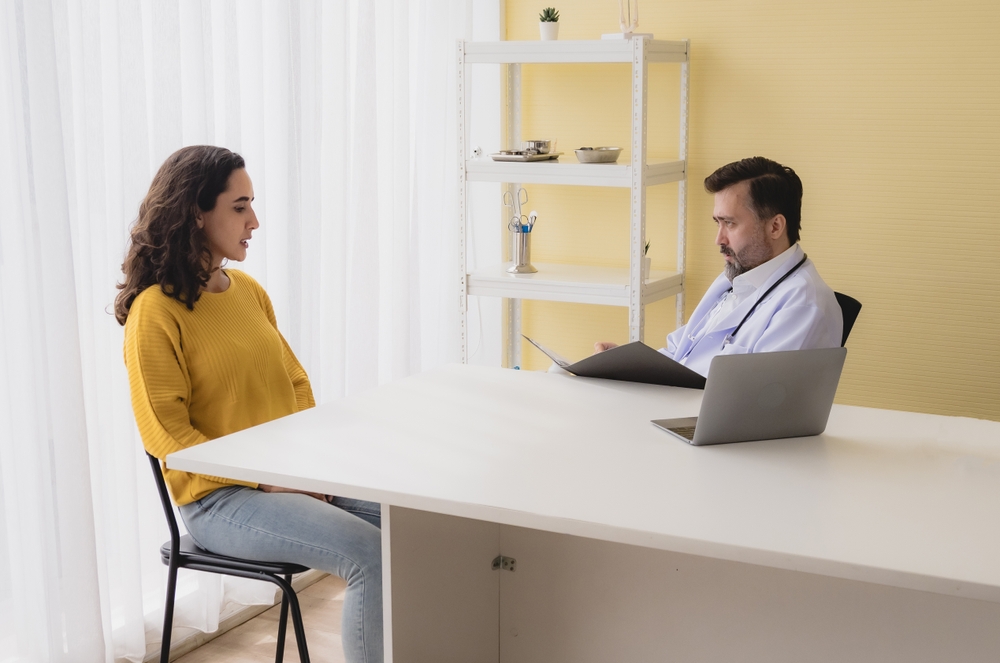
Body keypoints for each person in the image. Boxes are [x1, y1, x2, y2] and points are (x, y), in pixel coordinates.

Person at [115, 146, 383, 663]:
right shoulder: (155, 312)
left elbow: (296, 384)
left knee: (425, 521)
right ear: (196, 212)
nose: (254, 221)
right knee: (368, 555)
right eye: (240, 207)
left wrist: (311, 469)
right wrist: (268, 479)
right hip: (220, 500)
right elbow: (166, 436)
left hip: (287, 477)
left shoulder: (248, 291)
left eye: (251, 205)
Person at [596, 156, 842, 376]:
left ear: (775, 227)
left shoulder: (804, 303)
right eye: (718, 223)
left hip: (708, 421)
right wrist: (625, 366)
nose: (719, 239)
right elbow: (680, 356)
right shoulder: (736, 277)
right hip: (677, 408)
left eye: (730, 224)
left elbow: (758, 402)